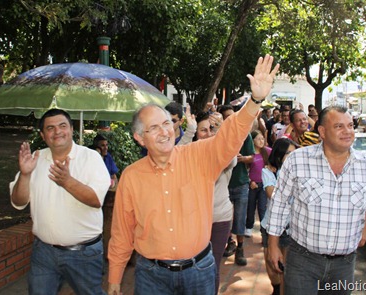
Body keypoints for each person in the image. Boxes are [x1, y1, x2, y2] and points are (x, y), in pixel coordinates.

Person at [107, 54, 279, 295]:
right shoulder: (132, 177)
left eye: (167, 124)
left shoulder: (199, 156)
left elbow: (229, 136)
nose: (164, 132)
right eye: (153, 128)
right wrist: (115, 277)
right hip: (151, 277)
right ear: (139, 138)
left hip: (199, 271)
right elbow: (122, 232)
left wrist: (256, 100)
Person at [266, 105, 366, 295]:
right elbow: (279, 204)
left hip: (344, 266)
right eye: (339, 126)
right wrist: (273, 245)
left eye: (350, 125)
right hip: (302, 261)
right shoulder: (297, 161)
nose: (347, 131)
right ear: (322, 131)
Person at [10, 109, 110, 295]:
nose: (57, 132)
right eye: (50, 128)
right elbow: (18, 202)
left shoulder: (91, 158)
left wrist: (67, 181)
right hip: (43, 253)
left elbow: (96, 200)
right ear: (43, 134)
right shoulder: (36, 159)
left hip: (84, 253)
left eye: (62, 126)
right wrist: (24, 175)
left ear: (72, 129)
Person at [194, 111, 235, 294]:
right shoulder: (188, 155)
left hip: (219, 217)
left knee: (212, 266)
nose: (208, 133)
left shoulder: (224, 152)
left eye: (212, 129)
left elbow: (230, 157)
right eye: (203, 130)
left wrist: (220, 131)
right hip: (193, 219)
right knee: (193, 266)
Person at [218, 104, 254, 266]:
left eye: (233, 115)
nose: (231, 119)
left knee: (240, 217)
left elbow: (253, 157)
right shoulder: (217, 136)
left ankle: (240, 248)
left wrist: (242, 158)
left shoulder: (245, 135)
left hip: (240, 182)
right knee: (223, 217)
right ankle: (229, 242)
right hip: (222, 184)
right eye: (227, 116)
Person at [261, 138, 298, 295]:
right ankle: (276, 290)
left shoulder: (299, 173)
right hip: (270, 226)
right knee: (272, 267)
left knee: (287, 271)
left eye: (294, 152)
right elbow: (272, 195)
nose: (292, 156)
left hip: (292, 229)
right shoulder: (267, 172)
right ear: (279, 154)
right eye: (288, 153)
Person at [245, 130, 271, 238]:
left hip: (264, 185)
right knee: (250, 207)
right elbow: (245, 171)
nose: (261, 141)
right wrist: (250, 181)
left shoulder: (267, 151)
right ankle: (249, 227)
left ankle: (263, 230)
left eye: (262, 138)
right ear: (253, 140)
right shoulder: (249, 155)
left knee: (262, 208)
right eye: (258, 139)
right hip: (252, 185)